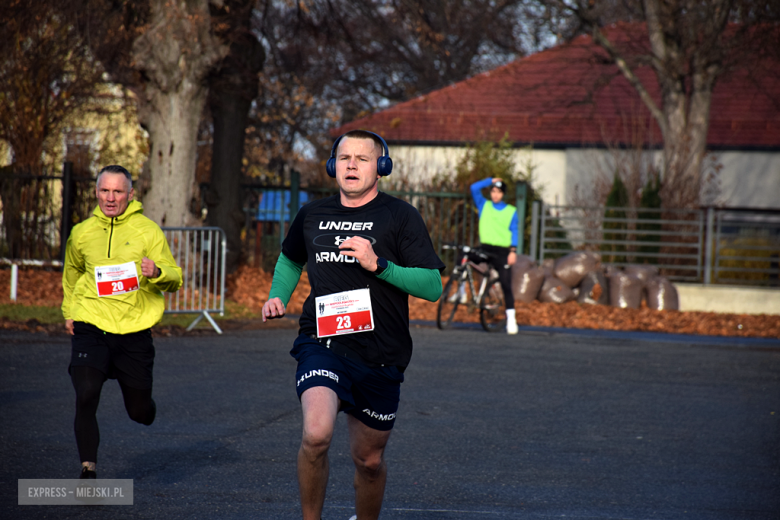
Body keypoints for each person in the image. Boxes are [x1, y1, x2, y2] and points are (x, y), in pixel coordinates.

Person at [262, 130, 444, 520]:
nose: (351, 165)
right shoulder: (313, 214)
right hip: (322, 341)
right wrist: (278, 294)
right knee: (316, 435)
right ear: (332, 165)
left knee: (370, 461)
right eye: (344, 157)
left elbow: (432, 286)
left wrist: (379, 264)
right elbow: (291, 259)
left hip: (381, 354)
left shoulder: (401, 216)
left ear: (381, 167)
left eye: (362, 158)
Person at [61, 165, 182, 479]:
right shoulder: (82, 232)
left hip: (134, 331)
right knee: (86, 393)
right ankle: (88, 468)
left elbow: (175, 277)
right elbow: (72, 274)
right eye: (104, 191)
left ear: (130, 195)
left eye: (117, 192)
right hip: (92, 324)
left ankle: (145, 407)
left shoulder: (147, 230)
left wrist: (157, 273)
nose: (110, 198)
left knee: (139, 412)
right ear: (96, 192)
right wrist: (69, 311)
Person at [470, 177, 519, 334]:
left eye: (498, 192)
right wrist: (490, 180)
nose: (495, 194)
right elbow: (474, 188)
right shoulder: (484, 205)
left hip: (502, 251)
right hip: (485, 248)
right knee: (464, 256)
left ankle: (511, 318)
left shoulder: (511, 211)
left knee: (505, 283)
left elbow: (515, 231)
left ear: (503, 194)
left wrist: (513, 251)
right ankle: (461, 292)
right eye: (493, 191)